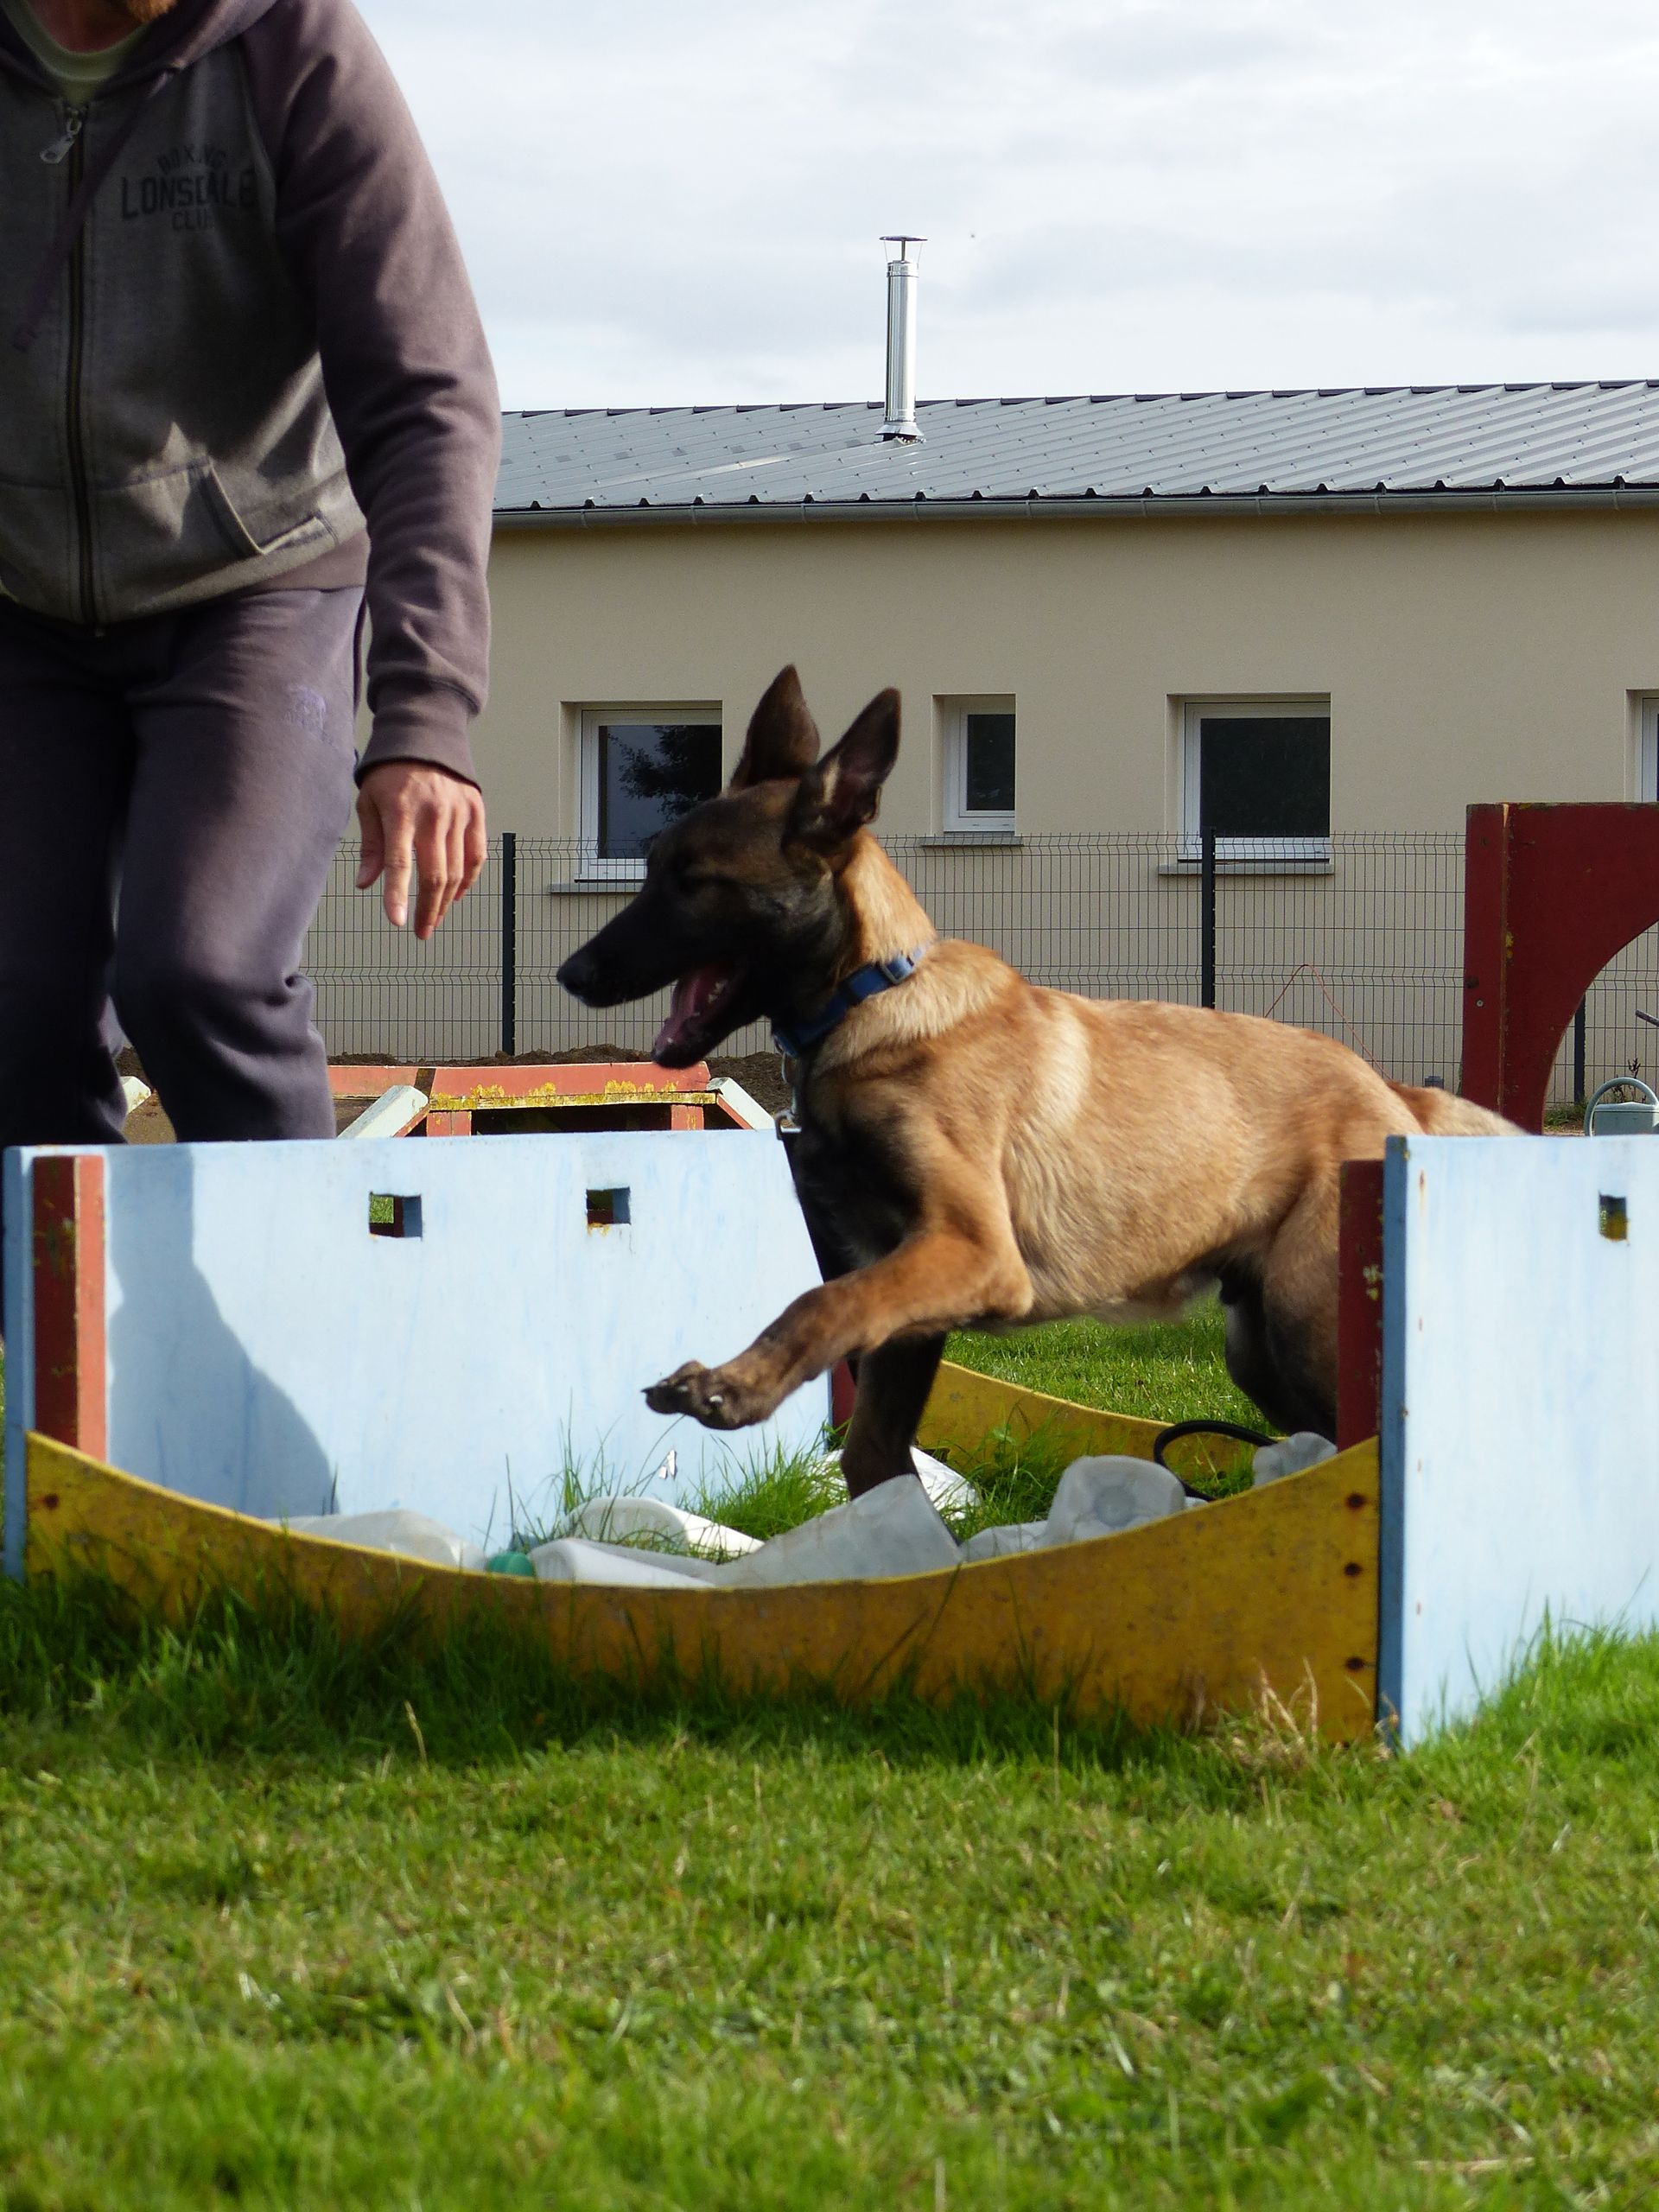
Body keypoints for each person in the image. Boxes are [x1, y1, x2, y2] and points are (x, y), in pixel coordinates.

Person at [0, 0, 499, 1190]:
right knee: (15, 1000)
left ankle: (297, 1346)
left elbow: (428, 396)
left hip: (256, 584)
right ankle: (77, 1359)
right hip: (19, 603)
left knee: (199, 970)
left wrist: (425, 719)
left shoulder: (294, 47)